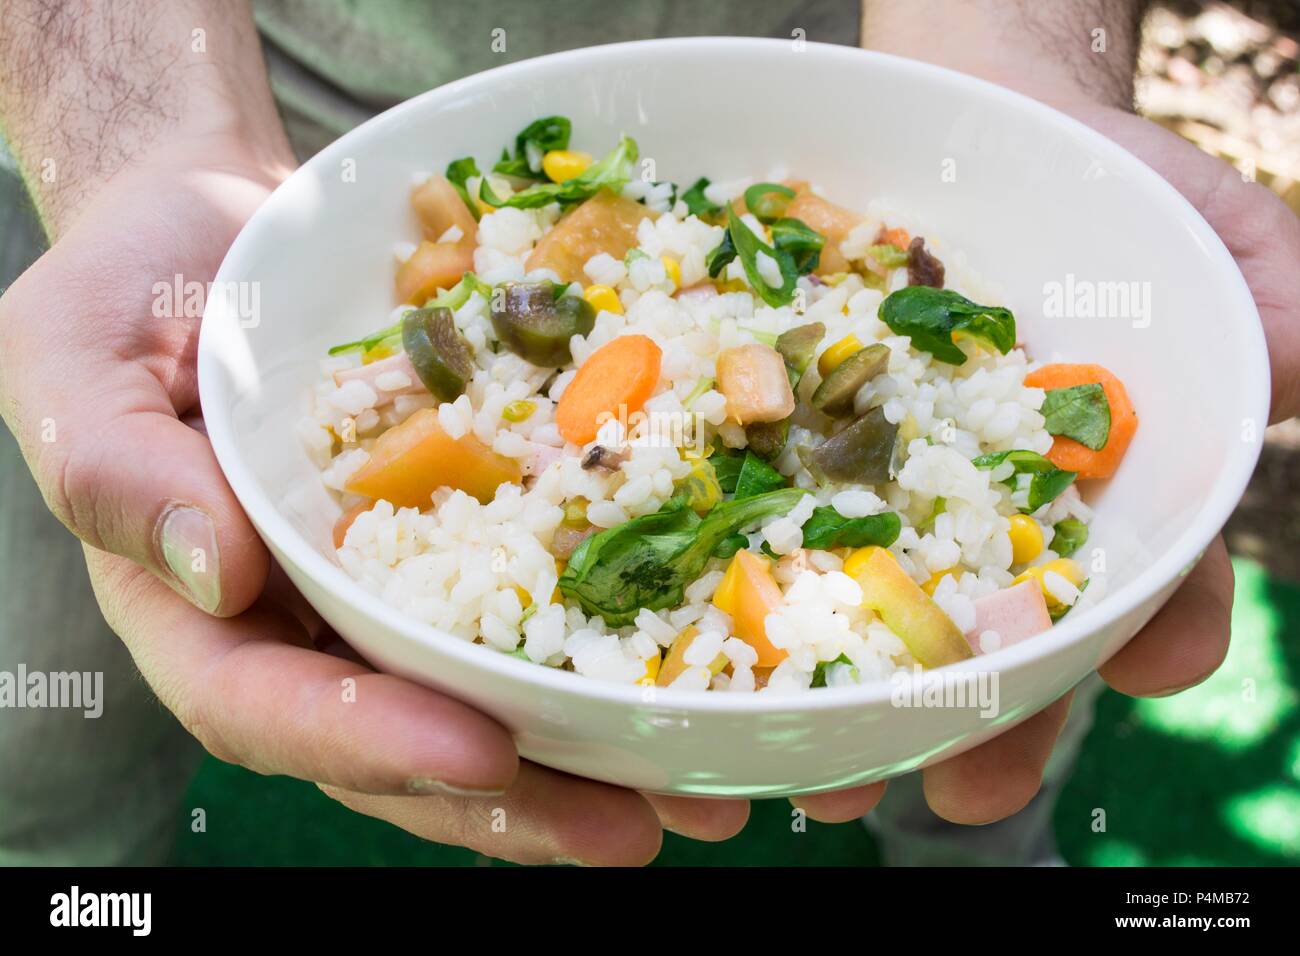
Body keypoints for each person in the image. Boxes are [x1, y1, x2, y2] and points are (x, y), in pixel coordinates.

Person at [0, 0, 1294, 867]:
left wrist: (1020, 94)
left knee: (983, 741)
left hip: (879, 61)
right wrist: (141, 152)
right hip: (246, 130)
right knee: (42, 738)